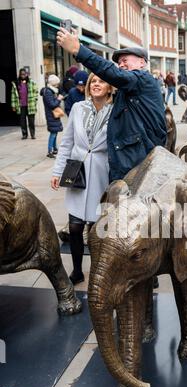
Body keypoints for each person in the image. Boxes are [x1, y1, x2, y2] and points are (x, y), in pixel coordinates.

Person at [57, 28, 167, 183]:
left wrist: (78, 50)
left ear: (142, 62)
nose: (121, 64)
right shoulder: (128, 88)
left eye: (125, 60)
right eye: (119, 62)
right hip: (130, 161)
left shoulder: (142, 79)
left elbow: (112, 73)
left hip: (138, 162)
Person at [51, 74, 113, 285]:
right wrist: (57, 171)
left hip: (102, 173)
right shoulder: (78, 108)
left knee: (97, 231)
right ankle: (77, 270)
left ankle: (98, 273)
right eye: (92, 82)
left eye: (101, 82)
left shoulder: (115, 111)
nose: (96, 85)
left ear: (110, 88)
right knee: (75, 226)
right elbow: (67, 142)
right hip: (77, 172)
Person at [40, 74, 64, 158]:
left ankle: (54, 149)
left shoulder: (51, 91)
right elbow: (52, 104)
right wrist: (59, 99)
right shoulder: (48, 92)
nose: (57, 85)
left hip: (53, 115)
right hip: (51, 115)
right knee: (53, 133)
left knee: (55, 132)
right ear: (53, 84)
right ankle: (50, 151)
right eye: (56, 84)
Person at [11, 68, 38, 139]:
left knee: (31, 121)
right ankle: (24, 134)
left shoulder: (31, 82)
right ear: (19, 75)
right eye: (21, 74)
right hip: (21, 106)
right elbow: (13, 95)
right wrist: (13, 106)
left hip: (30, 105)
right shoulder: (16, 83)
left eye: (24, 74)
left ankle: (32, 134)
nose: (23, 75)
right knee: (22, 122)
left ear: (26, 74)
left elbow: (36, 91)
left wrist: (35, 99)